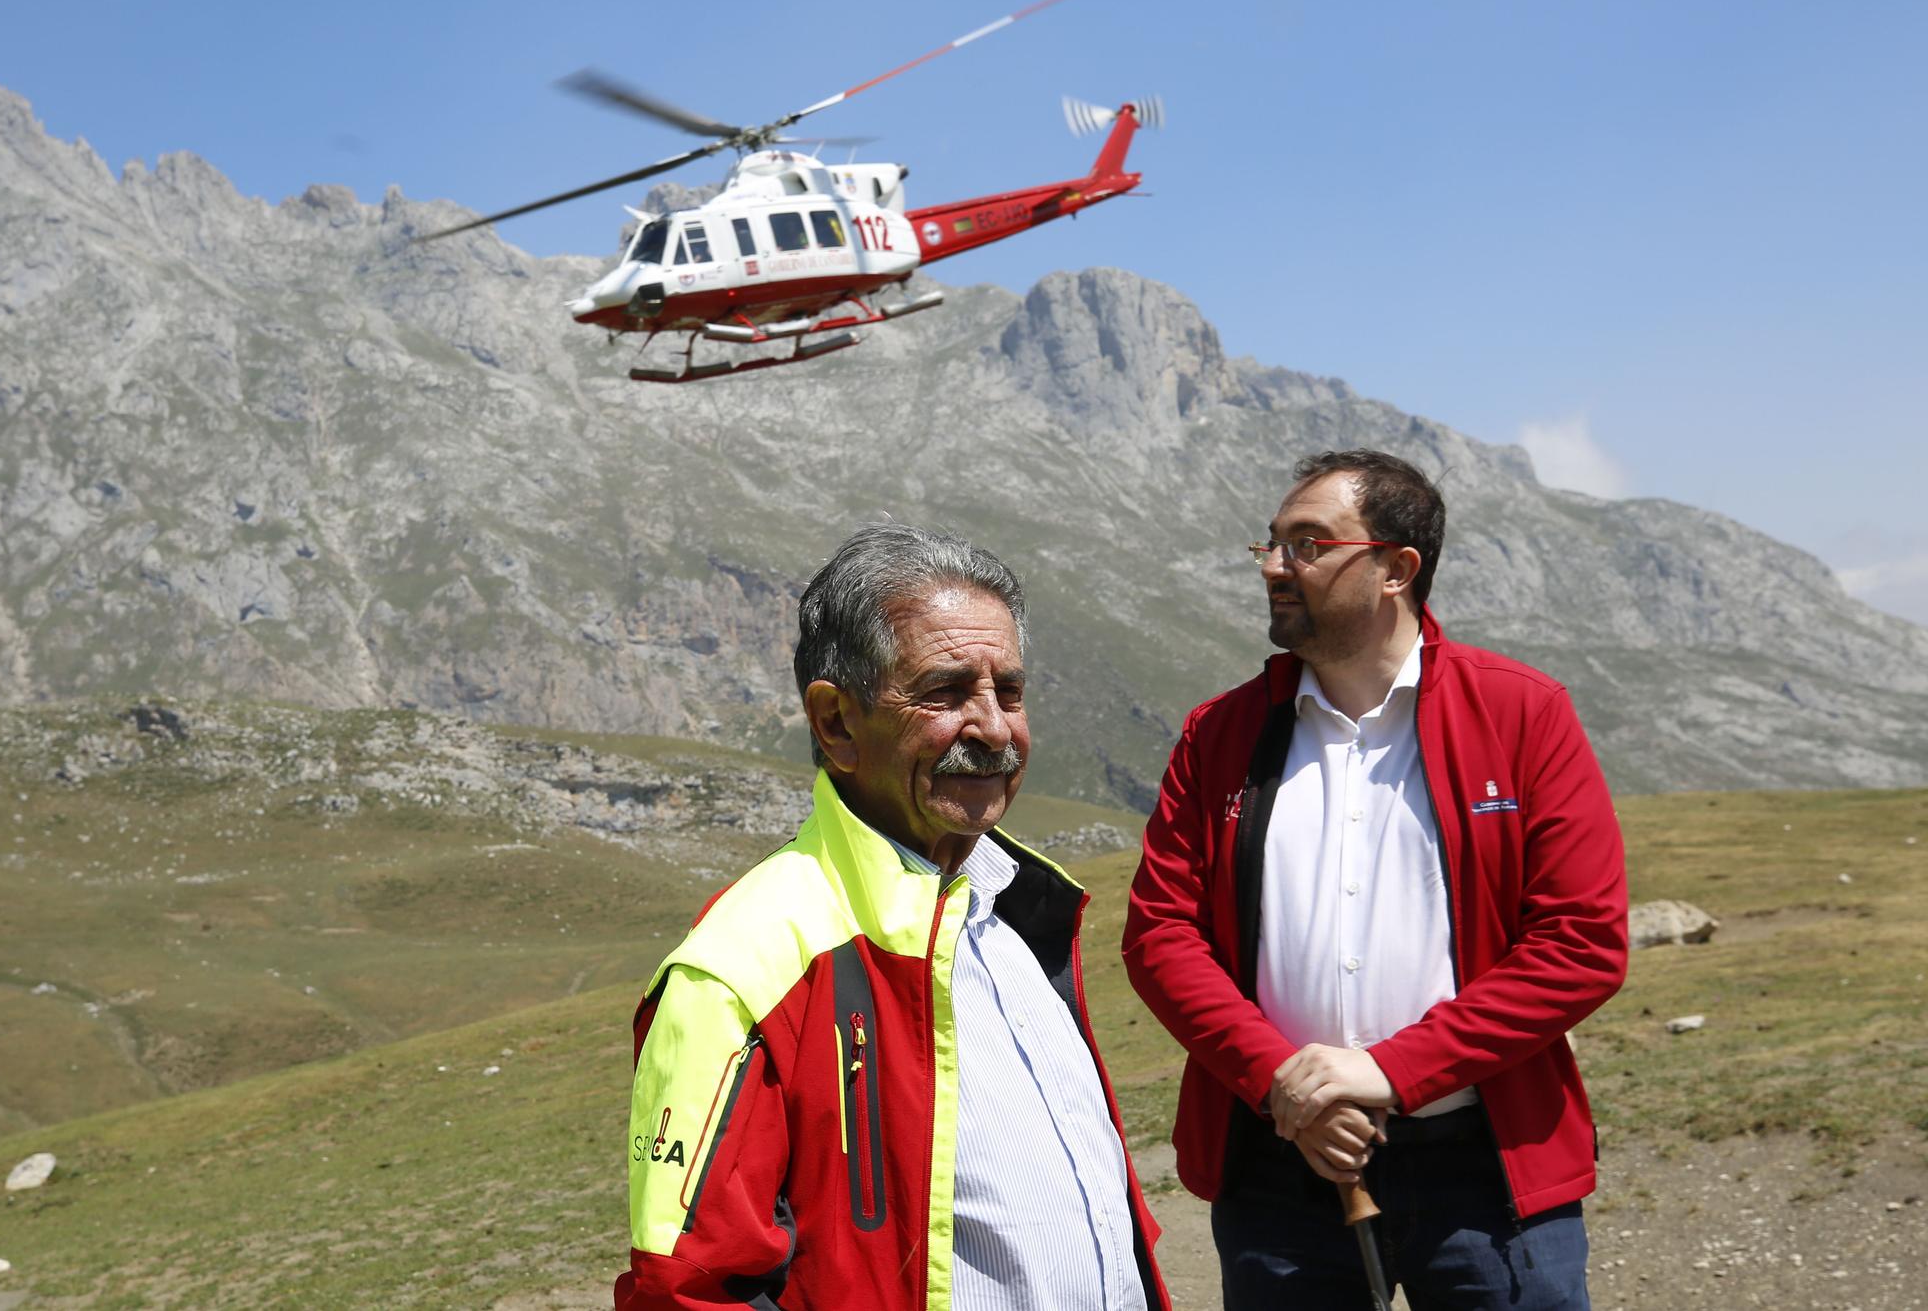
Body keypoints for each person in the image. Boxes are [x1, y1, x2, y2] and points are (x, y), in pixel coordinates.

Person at [1121, 450, 1628, 1309]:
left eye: (1308, 544)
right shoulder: (1220, 733)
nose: (1278, 566)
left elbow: (1581, 944)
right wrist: (1283, 1079)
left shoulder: (1522, 711)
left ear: (1396, 568)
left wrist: (1391, 1070)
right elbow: (1161, 935)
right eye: (1272, 546)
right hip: (1278, 1168)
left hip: (1487, 1167)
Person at [617, 523, 1169, 1311]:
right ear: (837, 722)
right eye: (945, 692)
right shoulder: (743, 968)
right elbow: (693, 1290)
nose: (993, 729)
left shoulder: (1013, 914)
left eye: (1008, 692)